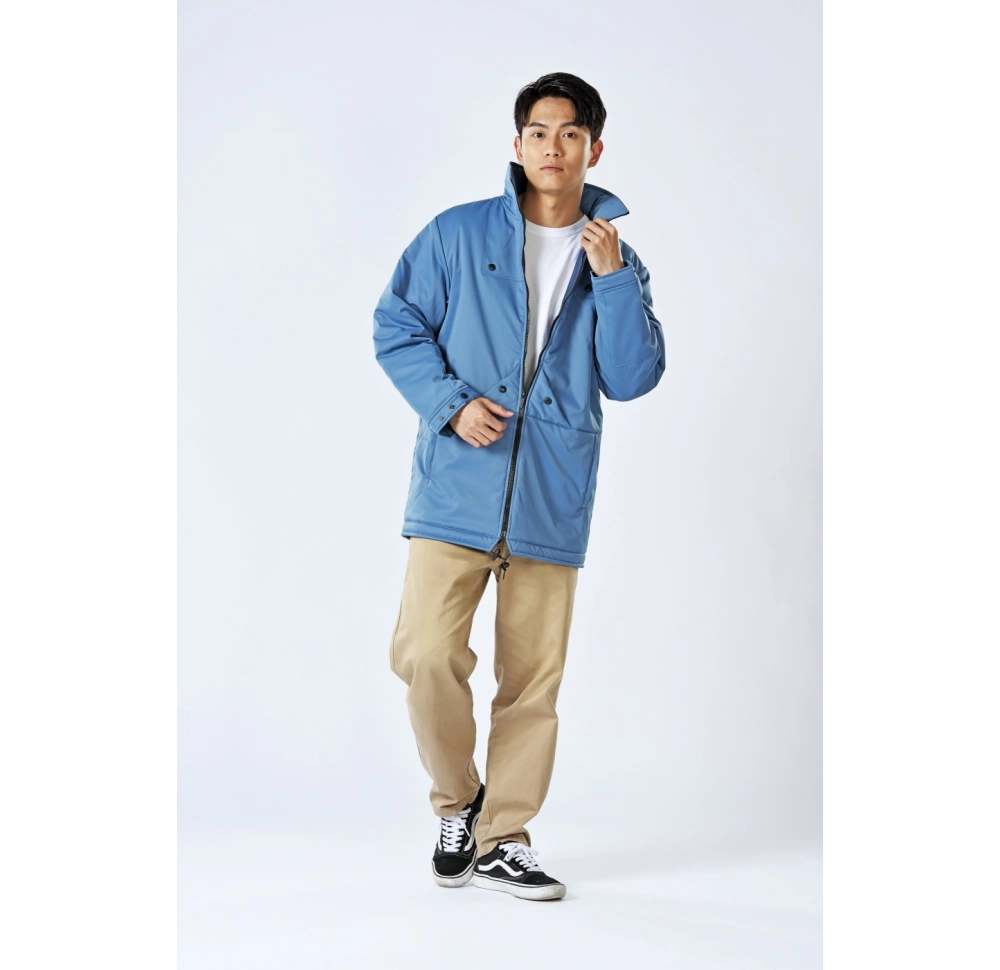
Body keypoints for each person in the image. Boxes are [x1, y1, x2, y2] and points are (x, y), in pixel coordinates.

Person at [373, 72, 665, 901]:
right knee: (424, 655)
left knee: (532, 682)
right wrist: (451, 404)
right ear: (517, 144)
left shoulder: (616, 259)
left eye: (570, 133)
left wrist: (612, 279)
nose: (552, 147)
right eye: (538, 132)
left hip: (550, 495)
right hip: (456, 487)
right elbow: (395, 323)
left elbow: (632, 377)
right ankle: (458, 800)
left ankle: (505, 838)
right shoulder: (457, 235)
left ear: (594, 149)